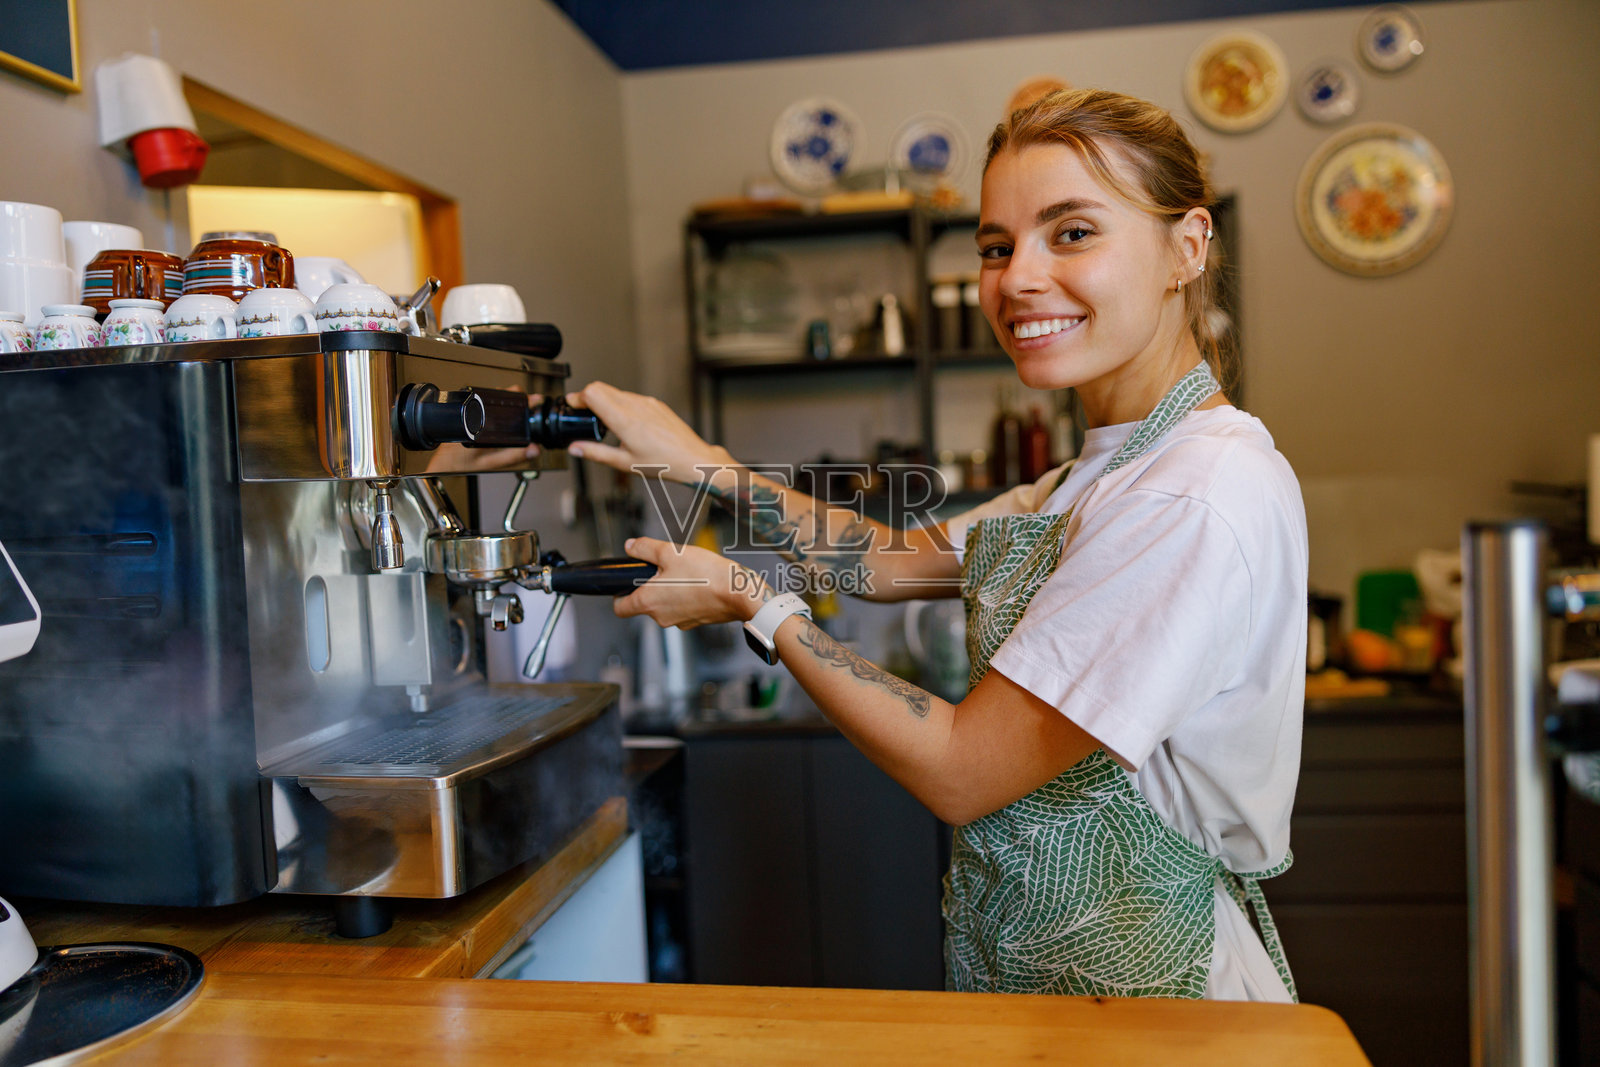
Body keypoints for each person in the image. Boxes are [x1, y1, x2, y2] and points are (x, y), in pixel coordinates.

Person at [565, 88, 1307, 1002]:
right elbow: (884, 562)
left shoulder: (1189, 491)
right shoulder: (1102, 472)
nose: (1019, 278)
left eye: (1072, 232)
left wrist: (757, 605)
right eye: (996, 246)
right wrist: (703, 465)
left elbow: (961, 768)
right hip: (1053, 980)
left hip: (1159, 1000)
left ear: (1187, 247)